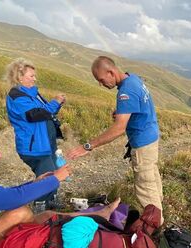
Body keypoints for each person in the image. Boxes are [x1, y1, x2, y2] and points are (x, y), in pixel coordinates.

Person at [67, 56, 164, 224]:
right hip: (151, 135)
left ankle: (154, 227)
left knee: (145, 187)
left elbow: (118, 129)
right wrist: (124, 113)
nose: (101, 84)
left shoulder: (125, 92)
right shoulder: (133, 79)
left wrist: (88, 146)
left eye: (101, 79)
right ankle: (159, 212)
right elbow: (139, 104)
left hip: (142, 143)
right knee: (152, 179)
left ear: (111, 72)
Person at [4, 58, 67, 209]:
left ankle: (50, 203)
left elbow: (46, 113)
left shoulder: (32, 93)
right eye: (31, 75)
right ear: (19, 77)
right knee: (46, 179)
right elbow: (34, 114)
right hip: (35, 147)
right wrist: (55, 102)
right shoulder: (16, 96)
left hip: (45, 144)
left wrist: (56, 106)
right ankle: (41, 210)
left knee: (53, 175)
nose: (35, 78)